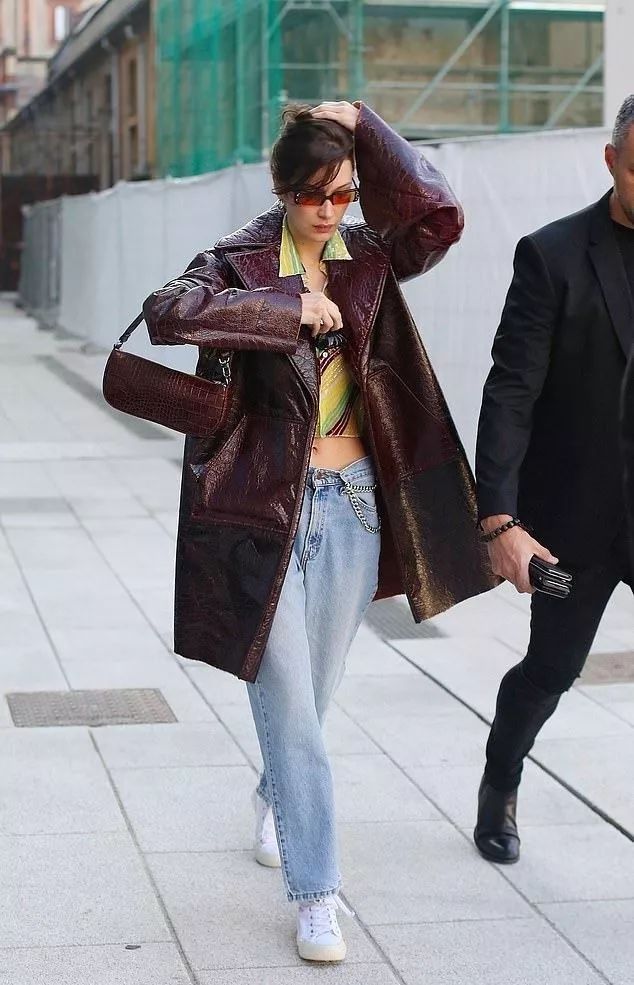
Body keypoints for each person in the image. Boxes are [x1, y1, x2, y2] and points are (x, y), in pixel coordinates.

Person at [144, 99, 495, 961]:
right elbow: (166, 312)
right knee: (293, 707)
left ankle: (277, 794)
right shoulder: (237, 260)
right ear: (281, 189)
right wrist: (282, 312)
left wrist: (369, 126)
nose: (331, 210)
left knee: (314, 697)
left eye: (344, 194)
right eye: (314, 195)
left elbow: (439, 217)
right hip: (264, 511)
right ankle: (317, 894)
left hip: (357, 506)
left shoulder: (368, 256)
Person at [474, 94, 634, 865]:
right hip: (575, 523)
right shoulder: (553, 255)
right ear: (611, 160)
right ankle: (500, 782)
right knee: (551, 670)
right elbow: (511, 391)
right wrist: (499, 519)